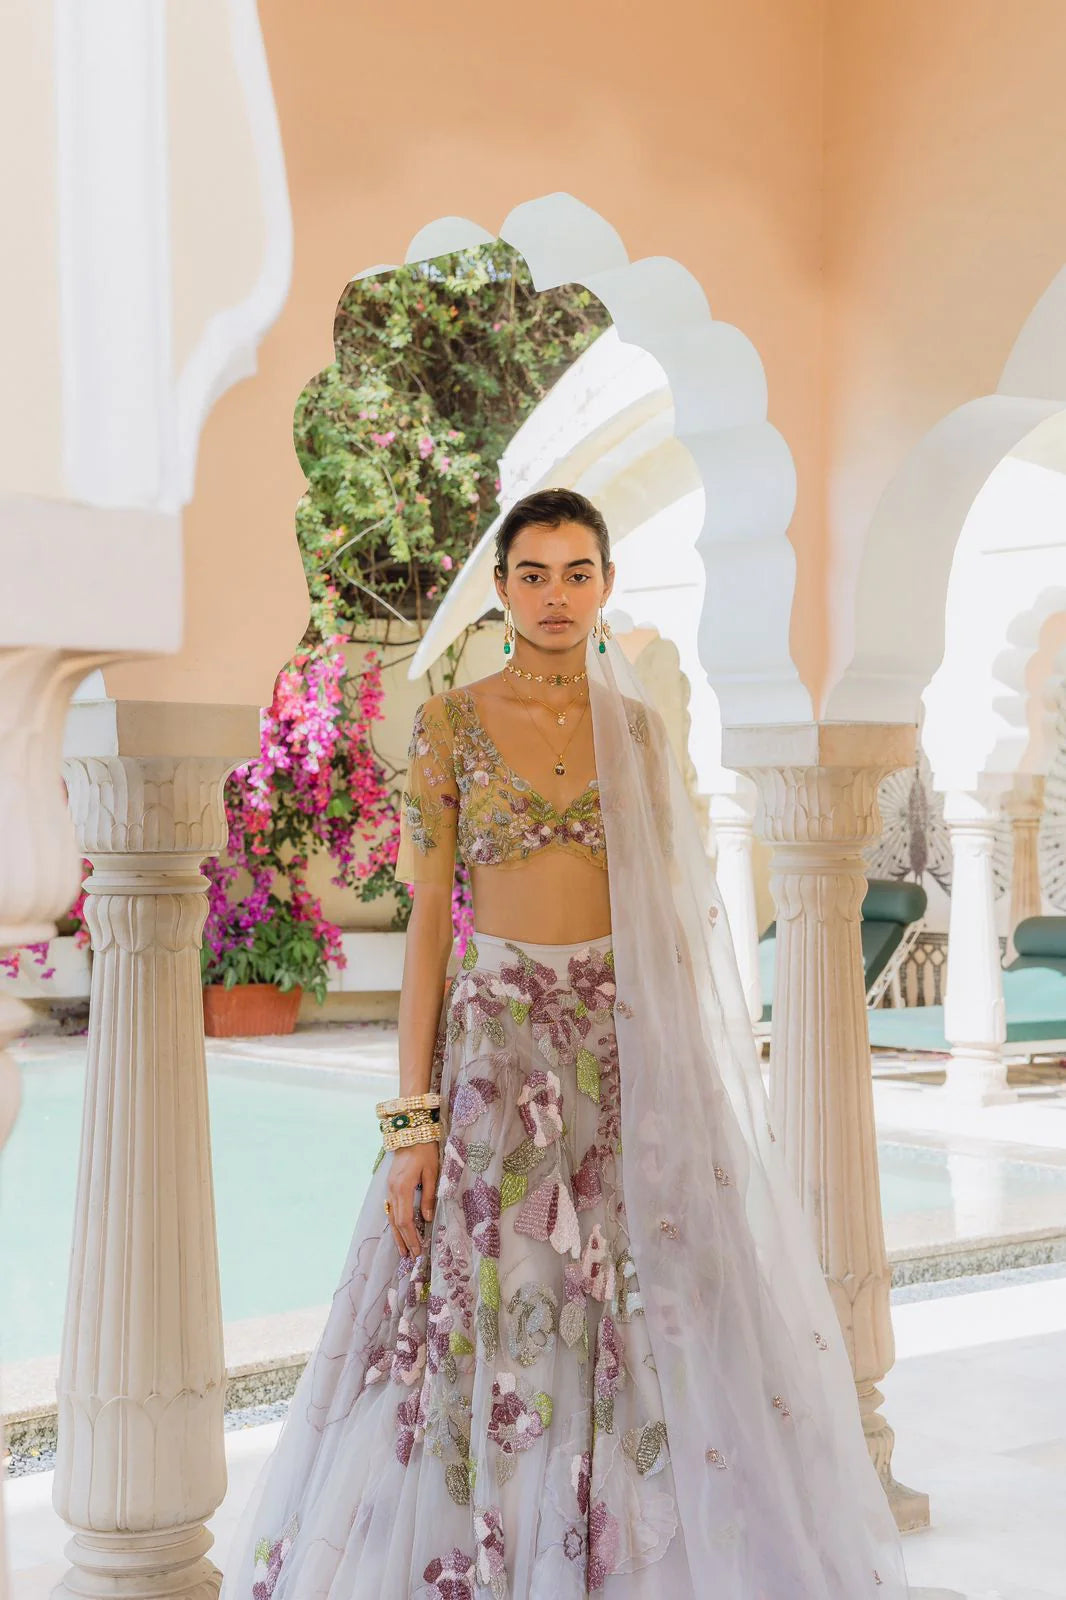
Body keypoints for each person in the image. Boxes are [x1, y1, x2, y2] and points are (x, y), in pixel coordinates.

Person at [220, 488, 909, 1598]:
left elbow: (670, 930)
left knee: (639, 1307)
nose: (554, 594)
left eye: (576, 571)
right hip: (494, 1062)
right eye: (532, 573)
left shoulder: (634, 730)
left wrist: (687, 1096)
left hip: (618, 1052)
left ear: (605, 584)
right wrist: (411, 1125)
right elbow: (427, 940)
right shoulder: (445, 729)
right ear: (500, 588)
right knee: (494, 1300)